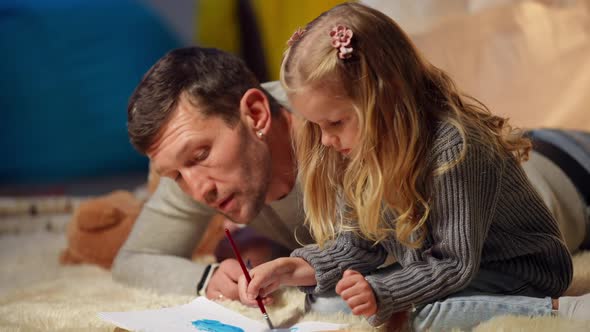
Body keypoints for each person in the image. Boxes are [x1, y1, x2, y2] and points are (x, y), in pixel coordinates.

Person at [235, 3, 590, 331]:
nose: (326, 140)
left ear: (384, 96)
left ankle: (563, 311)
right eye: (317, 126)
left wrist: (384, 292)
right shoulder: (359, 149)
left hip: (516, 269)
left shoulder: (454, 146)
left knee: (412, 315)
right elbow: (360, 245)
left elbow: (455, 262)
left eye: (336, 122)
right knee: (327, 304)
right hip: (444, 272)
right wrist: (296, 269)